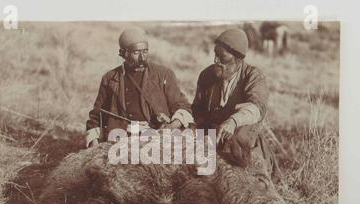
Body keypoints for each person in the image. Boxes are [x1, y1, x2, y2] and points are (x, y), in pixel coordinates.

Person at [86, 27, 194, 147]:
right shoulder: (110, 78)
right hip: (121, 137)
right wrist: (94, 143)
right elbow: (97, 115)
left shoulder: (163, 74)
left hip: (156, 136)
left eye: (145, 51)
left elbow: (182, 106)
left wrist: (170, 127)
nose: (142, 58)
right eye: (136, 53)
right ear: (124, 53)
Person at [192, 28, 275, 172]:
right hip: (212, 137)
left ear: (237, 60)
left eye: (222, 57)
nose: (215, 60)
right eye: (215, 55)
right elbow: (197, 109)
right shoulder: (206, 75)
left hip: (241, 143)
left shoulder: (254, 77)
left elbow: (257, 108)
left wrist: (233, 121)